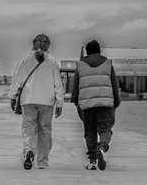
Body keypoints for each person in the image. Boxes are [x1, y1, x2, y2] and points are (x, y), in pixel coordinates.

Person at [9, 33, 64, 170]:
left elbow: (16, 80)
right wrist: (60, 103)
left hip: (28, 101)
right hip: (47, 102)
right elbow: (58, 83)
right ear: (48, 46)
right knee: (45, 131)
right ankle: (42, 162)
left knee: (28, 128)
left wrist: (12, 96)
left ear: (34, 43)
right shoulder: (52, 62)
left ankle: (29, 151)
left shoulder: (25, 60)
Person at [71, 39, 120, 171]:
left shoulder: (80, 66)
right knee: (105, 129)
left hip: (86, 104)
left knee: (90, 132)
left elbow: (75, 86)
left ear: (87, 51)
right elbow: (114, 84)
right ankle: (102, 148)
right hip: (106, 104)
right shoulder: (108, 64)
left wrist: (76, 101)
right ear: (99, 51)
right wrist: (116, 101)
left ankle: (92, 162)